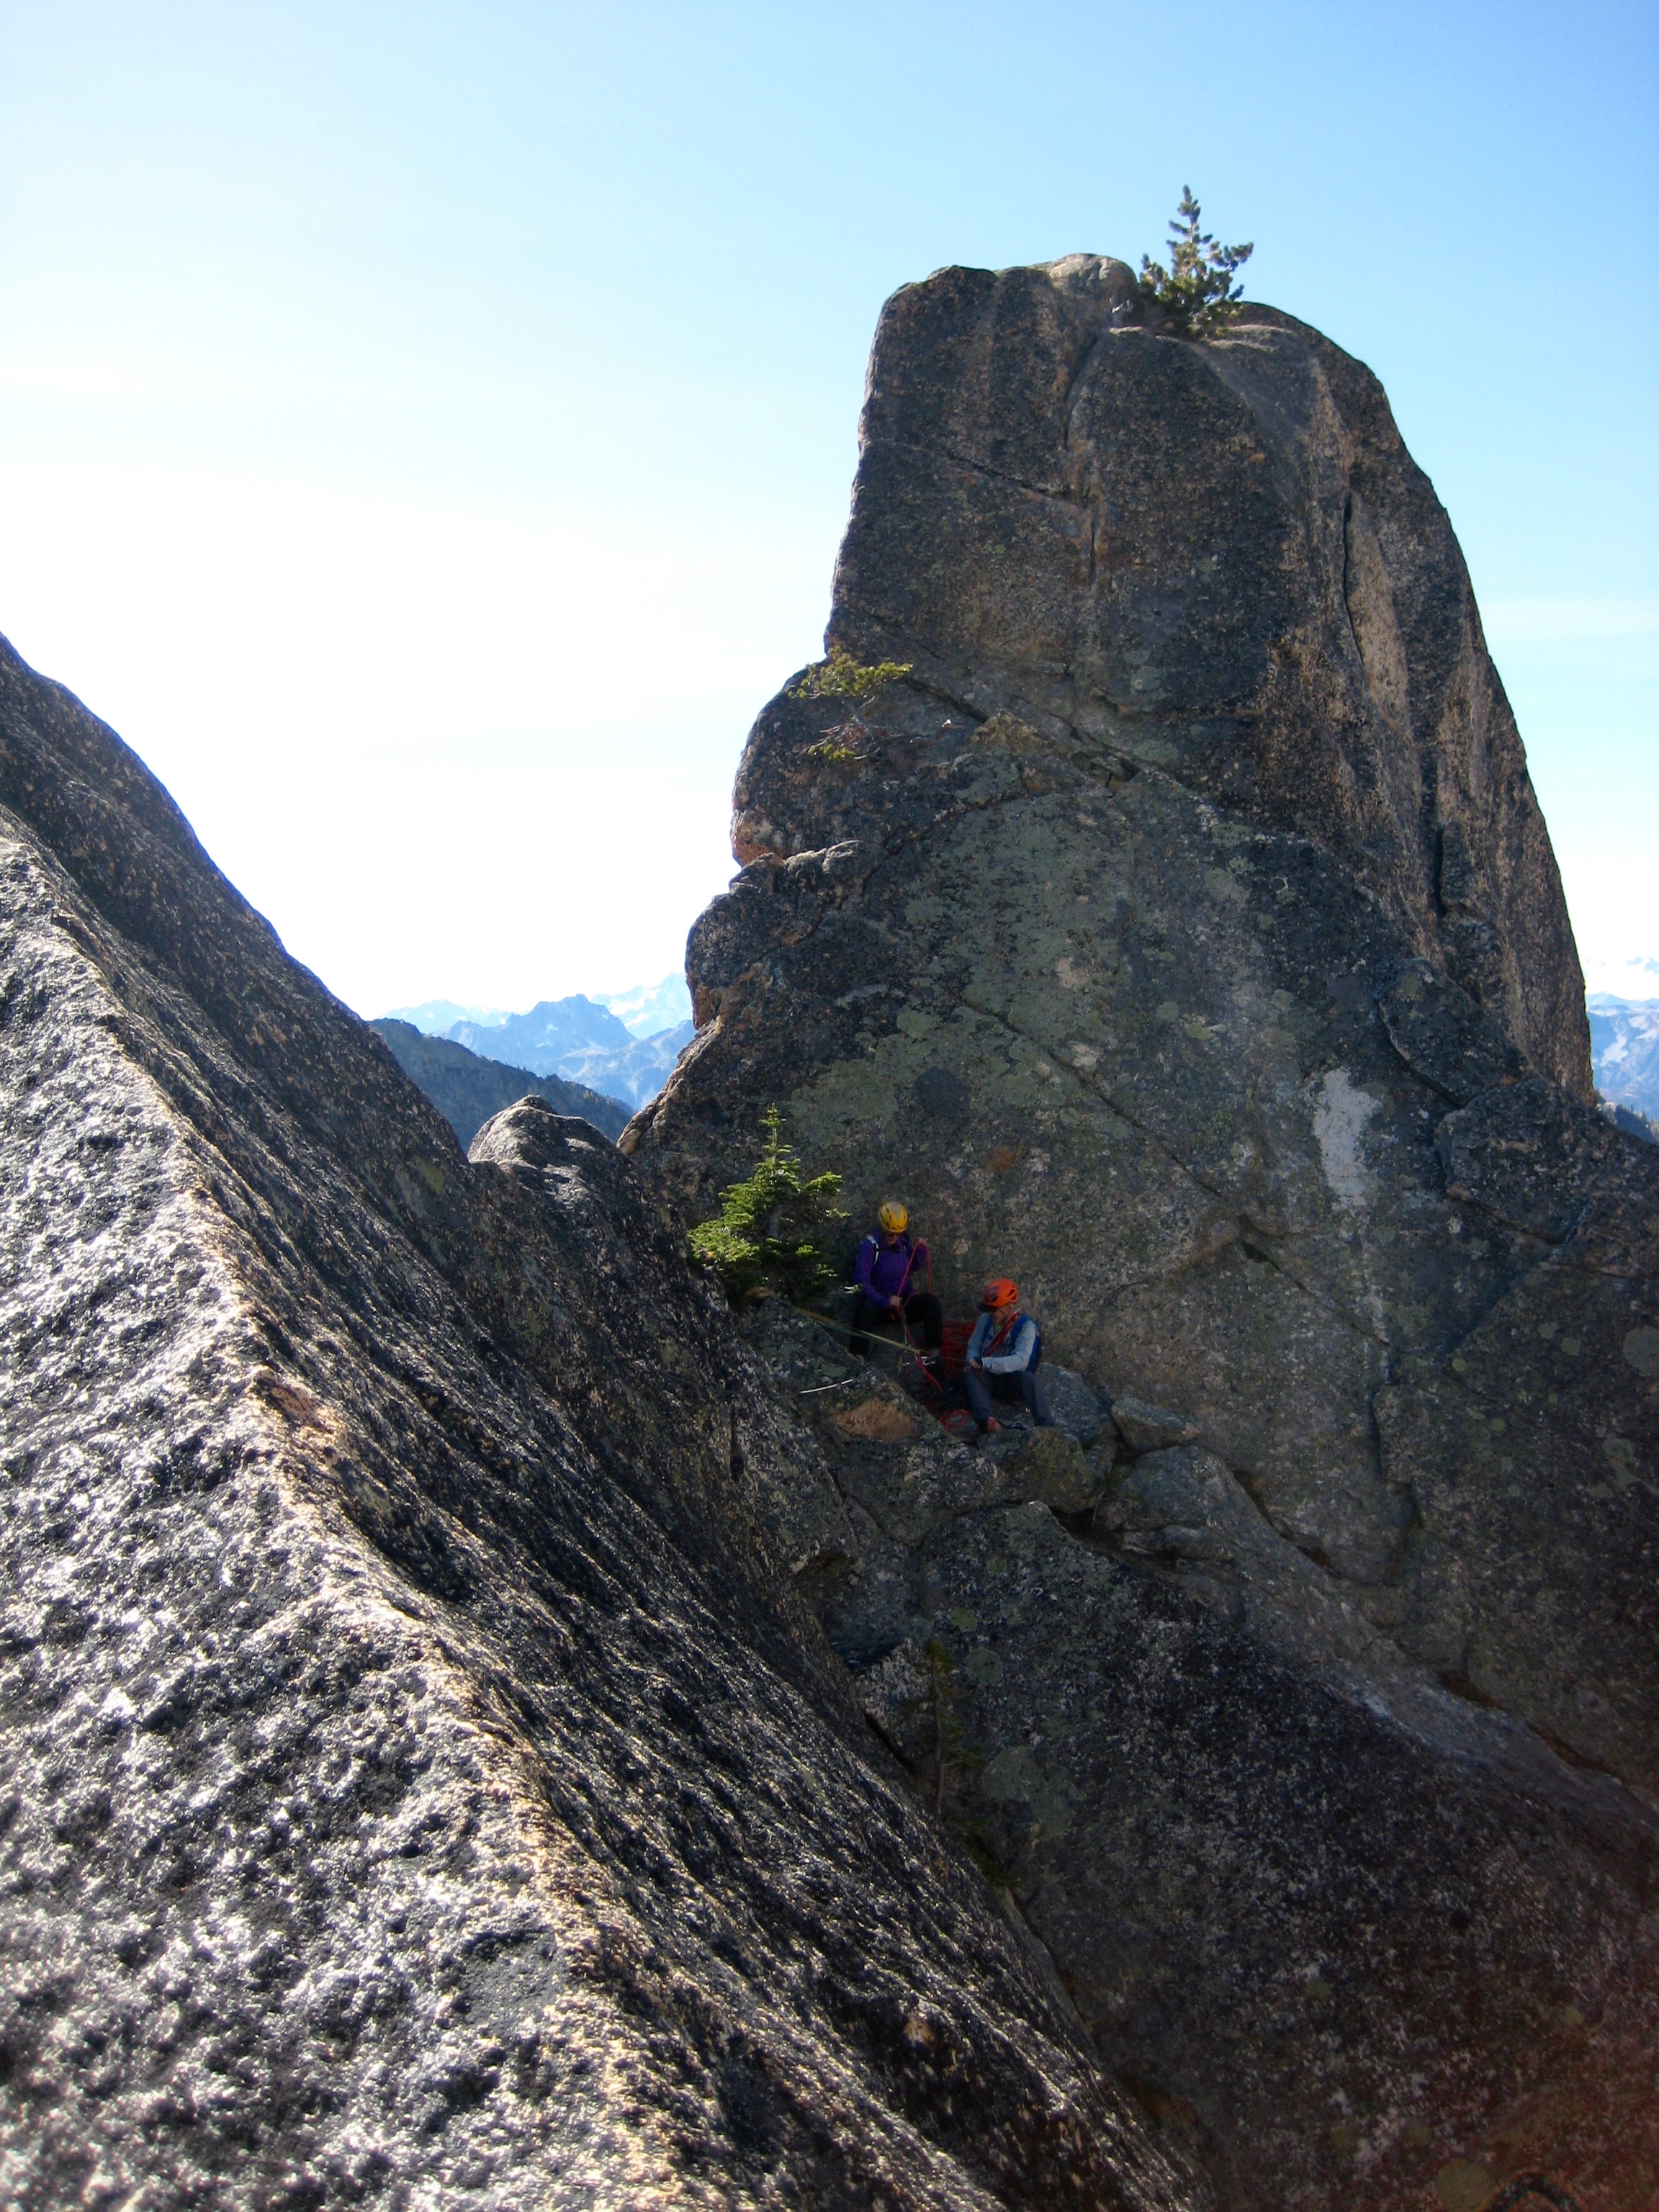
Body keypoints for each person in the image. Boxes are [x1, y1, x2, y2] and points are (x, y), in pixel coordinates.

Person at [850, 1201, 943, 1362]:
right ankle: (858, 1358)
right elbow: (860, 1283)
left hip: (904, 1303)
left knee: (931, 1302)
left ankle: (934, 1355)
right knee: (864, 1310)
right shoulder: (869, 1247)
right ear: (882, 1229)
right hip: (880, 1305)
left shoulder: (902, 1244)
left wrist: (920, 1251)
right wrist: (886, 1301)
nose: (894, 1238)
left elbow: (914, 1266)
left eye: (898, 1234)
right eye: (890, 1235)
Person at [963, 1278, 1051, 1435]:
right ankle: (988, 1420)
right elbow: (974, 1346)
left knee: (1031, 1381)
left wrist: (986, 1362)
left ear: (1009, 1307)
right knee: (971, 1373)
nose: (990, 1313)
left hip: (1012, 1381)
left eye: (994, 1310)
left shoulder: (1027, 1328)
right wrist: (972, 1361)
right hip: (988, 1377)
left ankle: (1048, 1428)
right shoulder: (985, 1320)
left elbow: (1020, 1361)